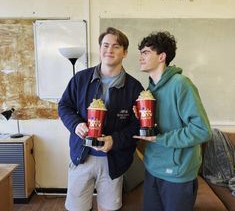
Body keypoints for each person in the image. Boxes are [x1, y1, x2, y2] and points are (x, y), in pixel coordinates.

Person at [58, 27, 144, 211]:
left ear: (125, 52)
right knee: (76, 208)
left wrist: (114, 140)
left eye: (116, 46)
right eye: (105, 45)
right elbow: (64, 106)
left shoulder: (134, 88)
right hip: (81, 156)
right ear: (100, 48)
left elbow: (138, 126)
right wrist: (76, 125)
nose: (109, 50)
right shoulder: (80, 79)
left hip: (114, 161)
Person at [133, 31, 212, 211]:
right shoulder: (149, 90)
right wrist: (142, 119)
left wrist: (160, 138)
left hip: (177, 175)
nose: (140, 57)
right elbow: (158, 127)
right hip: (153, 168)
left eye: (146, 52)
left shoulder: (181, 84)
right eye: (141, 53)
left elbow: (202, 130)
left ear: (162, 56)